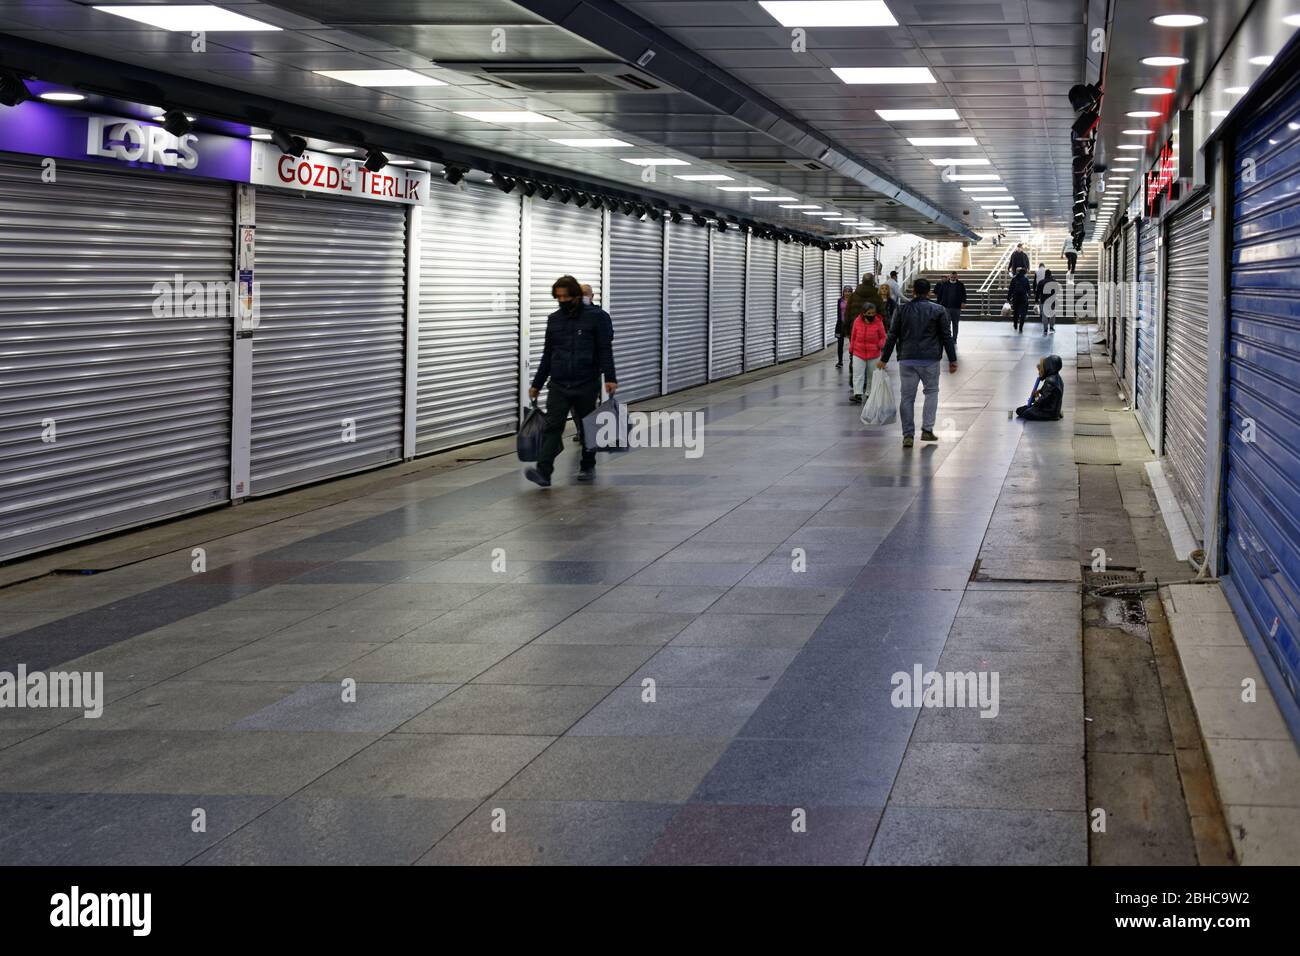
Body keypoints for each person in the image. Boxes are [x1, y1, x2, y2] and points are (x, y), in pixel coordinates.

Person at [525, 275, 617, 487]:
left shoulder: (596, 317)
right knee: (552, 426)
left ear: (576, 295)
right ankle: (544, 472)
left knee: (587, 427)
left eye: (566, 296)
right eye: (558, 297)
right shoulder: (554, 319)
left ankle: (587, 465)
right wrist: (537, 384)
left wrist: (610, 377)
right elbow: (547, 354)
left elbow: (605, 349)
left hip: (586, 382)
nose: (562, 300)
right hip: (559, 383)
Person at [876, 277, 958, 449]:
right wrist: (952, 359)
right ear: (929, 292)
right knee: (932, 392)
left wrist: (884, 359)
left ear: (913, 291)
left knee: (907, 397)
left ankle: (908, 435)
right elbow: (946, 336)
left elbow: (892, 335)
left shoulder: (901, 309)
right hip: (930, 360)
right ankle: (927, 429)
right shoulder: (939, 310)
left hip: (907, 359)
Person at [848, 302, 886, 404]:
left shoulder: (878, 322)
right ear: (863, 313)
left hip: (874, 353)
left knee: (872, 375)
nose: (871, 315)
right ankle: (857, 394)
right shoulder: (857, 321)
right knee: (857, 373)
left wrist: (879, 345)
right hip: (858, 352)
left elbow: (883, 336)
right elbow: (853, 336)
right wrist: (851, 348)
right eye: (869, 313)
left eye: (873, 313)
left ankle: (870, 394)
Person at [1016, 355, 1064, 421]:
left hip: (1049, 412)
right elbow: (1049, 394)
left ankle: (1054, 415)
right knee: (1026, 409)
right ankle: (1057, 414)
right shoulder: (1057, 378)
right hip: (1054, 409)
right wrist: (1039, 392)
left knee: (1025, 412)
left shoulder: (1050, 381)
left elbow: (1043, 400)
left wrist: (1035, 401)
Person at [934, 270, 967, 344]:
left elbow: (964, 294)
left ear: (957, 277)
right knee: (946, 323)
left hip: (957, 307)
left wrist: (963, 302)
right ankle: (947, 338)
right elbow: (940, 294)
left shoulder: (960, 284)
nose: (953, 278)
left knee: (955, 324)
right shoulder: (945, 284)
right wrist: (939, 304)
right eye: (952, 277)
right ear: (949, 277)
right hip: (946, 307)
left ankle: (954, 339)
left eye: (954, 277)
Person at [1007, 267, 1032, 334]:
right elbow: (1028, 289)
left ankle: (1015, 324)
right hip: (1023, 298)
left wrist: (1008, 298)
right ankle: (1021, 326)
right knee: (1023, 313)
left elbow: (1010, 289)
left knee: (1016, 312)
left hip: (1015, 298)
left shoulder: (1014, 279)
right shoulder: (1025, 279)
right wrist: (1029, 295)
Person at [1037, 269, 1059, 334]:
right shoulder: (1054, 281)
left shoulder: (1041, 282)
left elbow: (1038, 292)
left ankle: (1045, 328)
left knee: (1044, 315)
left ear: (1045, 274)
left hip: (1043, 301)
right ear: (1050, 274)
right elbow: (1057, 291)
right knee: (1052, 315)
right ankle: (1051, 327)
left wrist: (1036, 300)